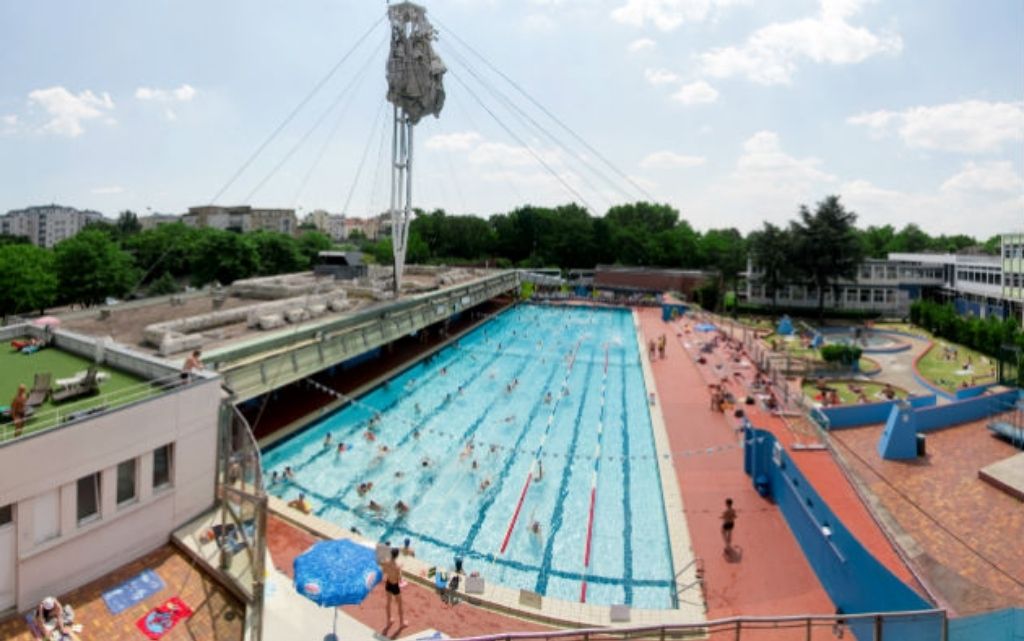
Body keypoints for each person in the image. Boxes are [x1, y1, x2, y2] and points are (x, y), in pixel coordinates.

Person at [381, 547, 407, 627]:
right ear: (397, 556)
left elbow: (384, 571)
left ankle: (389, 620)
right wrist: (401, 571)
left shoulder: (385, 562)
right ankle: (401, 623)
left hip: (388, 583)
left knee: (388, 603)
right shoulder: (397, 566)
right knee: (399, 604)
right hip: (395, 586)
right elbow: (399, 579)